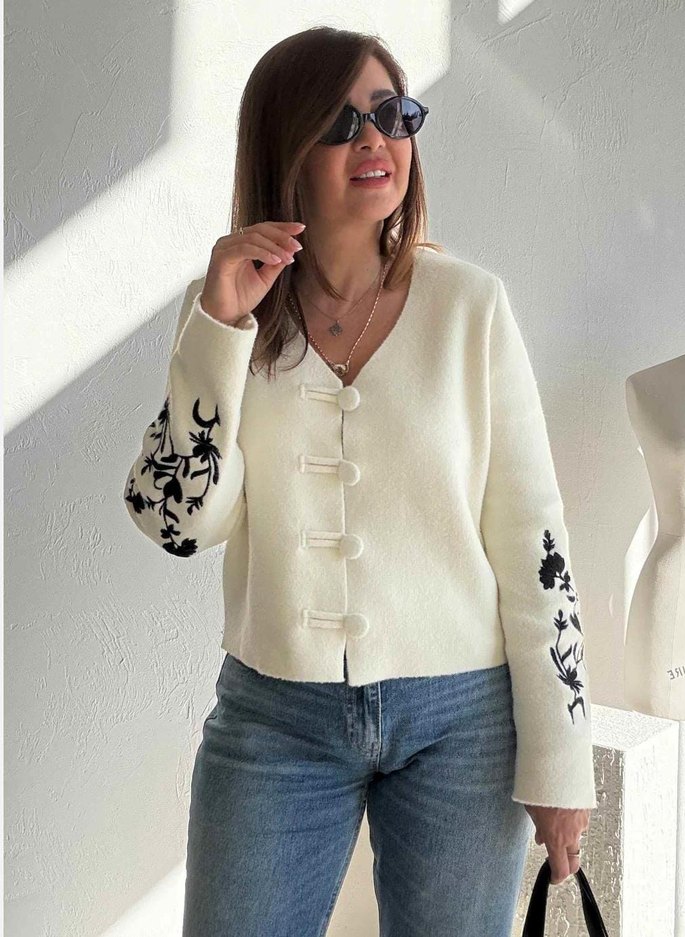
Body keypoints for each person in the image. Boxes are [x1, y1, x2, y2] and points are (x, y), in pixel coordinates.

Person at [123, 25, 597, 937]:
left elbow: (534, 539)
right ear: (285, 152)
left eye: (391, 113)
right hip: (274, 717)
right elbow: (180, 521)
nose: (375, 140)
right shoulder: (226, 310)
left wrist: (561, 761)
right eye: (341, 123)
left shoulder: (470, 306)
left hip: (464, 721)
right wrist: (220, 327)